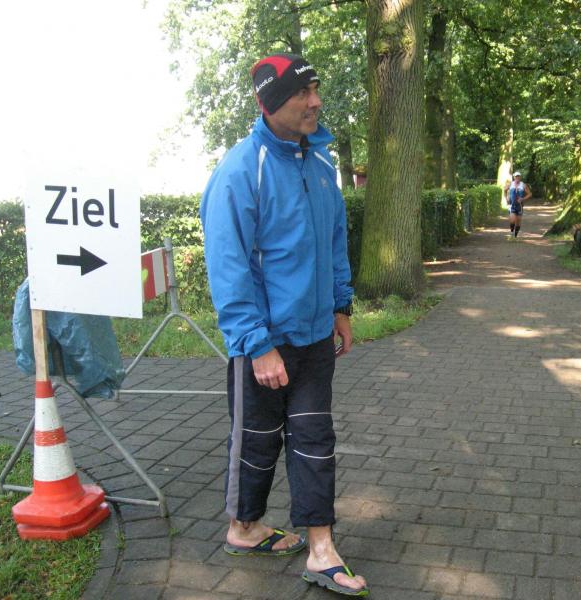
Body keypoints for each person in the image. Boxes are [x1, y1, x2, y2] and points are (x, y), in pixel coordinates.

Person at [200, 53, 368, 597]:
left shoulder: (319, 162)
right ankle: (244, 527)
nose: (316, 101)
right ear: (271, 103)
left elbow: (334, 239)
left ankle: (321, 549)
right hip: (264, 343)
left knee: (315, 439)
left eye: (315, 90)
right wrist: (256, 345)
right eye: (303, 93)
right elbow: (228, 268)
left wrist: (340, 306)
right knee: (256, 440)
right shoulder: (239, 171)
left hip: (315, 335)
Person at [507, 171, 532, 238]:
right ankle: (512, 233)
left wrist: (523, 199)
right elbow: (505, 190)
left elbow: (530, 194)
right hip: (512, 205)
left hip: (520, 206)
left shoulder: (523, 185)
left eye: (518, 176)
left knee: (518, 222)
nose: (517, 177)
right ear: (514, 177)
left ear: (520, 177)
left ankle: (515, 235)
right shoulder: (510, 184)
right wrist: (507, 197)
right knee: (512, 220)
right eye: (516, 176)